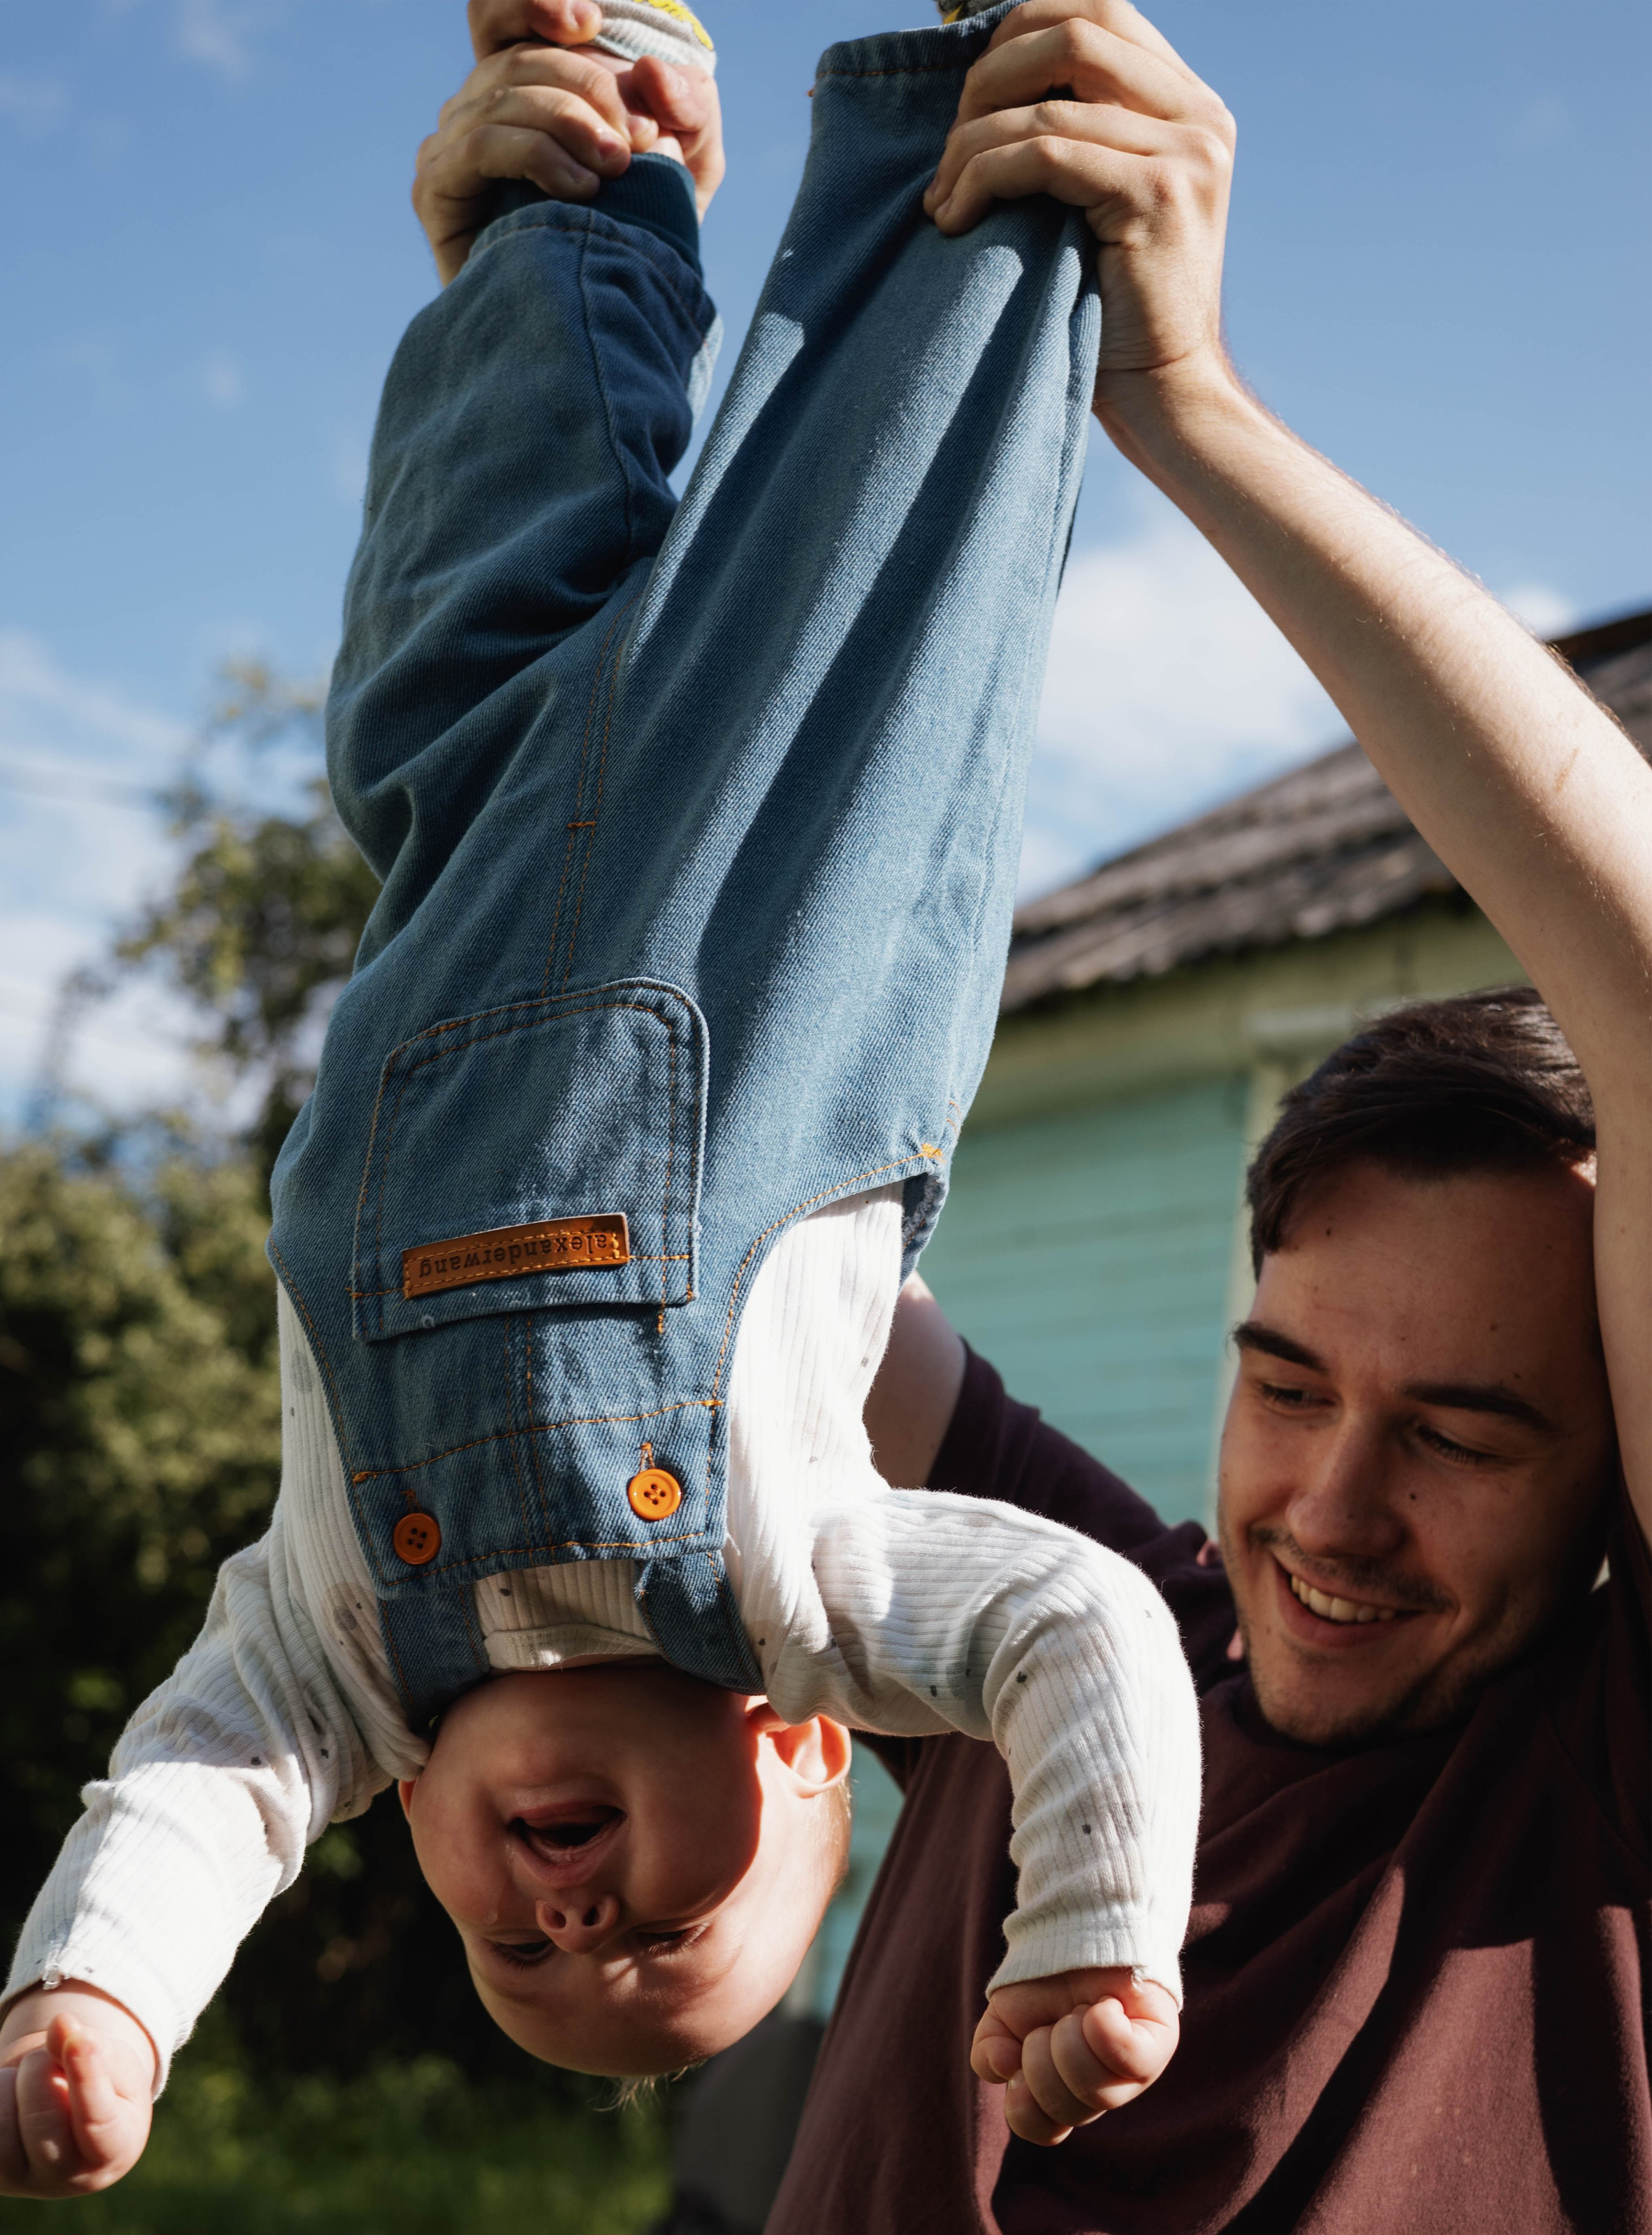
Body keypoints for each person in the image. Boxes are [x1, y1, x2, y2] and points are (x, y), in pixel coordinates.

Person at [0, 0, 1211, 2202]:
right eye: (677, 1943)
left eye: (520, 1968)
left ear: (413, 1820)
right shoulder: (807, 1590)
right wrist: (1091, 1936)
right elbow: (1083, 1624)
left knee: (467, 571)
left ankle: (587, 136)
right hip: (756, 896)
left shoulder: (332, 1658)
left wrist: (96, 2008)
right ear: (815, 1753)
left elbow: (195, 1786)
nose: (579, 1930)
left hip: (460, 841)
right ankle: (990, 60)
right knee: (897, 486)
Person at [758, 3, 1652, 2229]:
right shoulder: (1052, 1627)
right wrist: (541, 289)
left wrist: (1183, 404)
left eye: (1461, 1433)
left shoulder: (1602, 1796)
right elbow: (703, 1210)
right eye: (1282, 1383)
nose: (1329, 1512)